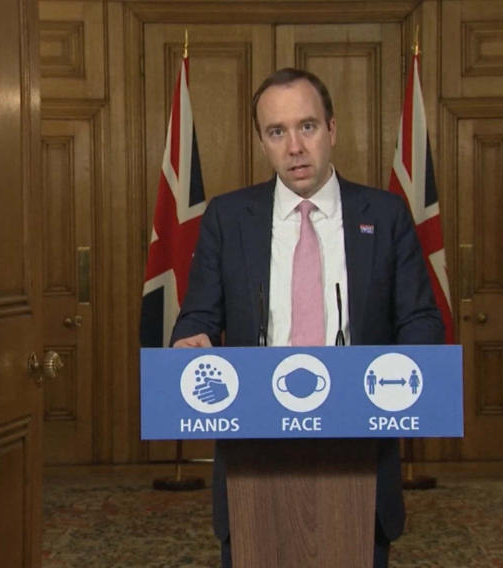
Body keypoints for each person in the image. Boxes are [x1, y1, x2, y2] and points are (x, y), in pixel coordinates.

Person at [170, 68, 444, 567]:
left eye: (308, 127)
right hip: (255, 456)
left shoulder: (384, 216)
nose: (295, 146)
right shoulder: (228, 219)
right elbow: (197, 320)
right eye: (277, 132)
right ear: (262, 141)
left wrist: (401, 376)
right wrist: (192, 342)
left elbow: (422, 321)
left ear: (332, 130)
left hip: (357, 451)